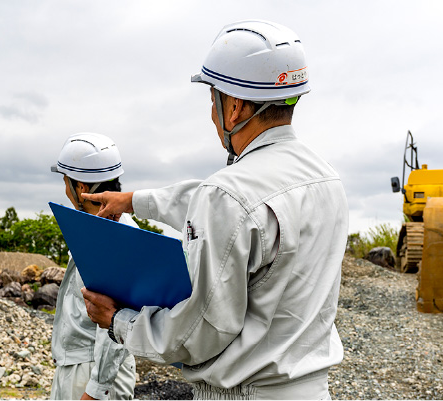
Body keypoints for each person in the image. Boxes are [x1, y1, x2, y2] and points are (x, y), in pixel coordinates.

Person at [81, 20, 348, 400]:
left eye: (213, 100)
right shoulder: (326, 179)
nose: (212, 112)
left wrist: (118, 322)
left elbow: (200, 331)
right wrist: (133, 200)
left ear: (234, 107)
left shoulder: (228, 194)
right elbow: (232, 208)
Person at [49, 132, 137, 400]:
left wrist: (96, 391)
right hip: (81, 366)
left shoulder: (111, 236)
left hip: (92, 371)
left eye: (66, 181)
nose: (65, 190)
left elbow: (116, 321)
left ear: (78, 186)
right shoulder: (98, 229)